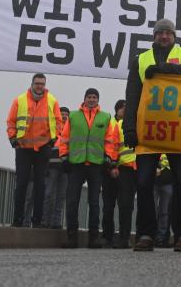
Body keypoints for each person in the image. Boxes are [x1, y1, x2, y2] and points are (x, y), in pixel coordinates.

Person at [122, 19, 181, 252]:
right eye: (160, 33)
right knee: (144, 182)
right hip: (149, 130)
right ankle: (146, 234)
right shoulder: (140, 60)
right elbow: (132, 94)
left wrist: (162, 69)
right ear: (154, 36)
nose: (164, 36)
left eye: (168, 33)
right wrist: (129, 128)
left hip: (179, 128)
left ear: (174, 35)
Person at [60, 88, 118, 248]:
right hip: (76, 163)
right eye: (89, 97)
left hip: (96, 164)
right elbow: (64, 138)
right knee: (72, 201)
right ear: (84, 98)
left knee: (94, 202)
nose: (91, 99)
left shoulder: (105, 117)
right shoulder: (73, 116)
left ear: (98, 100)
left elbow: (109, 140)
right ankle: (72, 237)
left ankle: (94, 238)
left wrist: (108, 157)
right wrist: (64, 157)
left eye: (94, 97)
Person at [7, 73, 61, 227]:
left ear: (45, 85)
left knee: (40, 185)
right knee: (21, 184)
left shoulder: (52, 101)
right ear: (32, 84)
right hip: (23, 147)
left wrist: (53, 139)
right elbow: (11, 121)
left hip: (43, 148)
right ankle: (17, 220)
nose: (39, 86)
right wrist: (13, 139)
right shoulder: (19, 100)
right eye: (37, 83)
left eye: (42, 84)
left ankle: (36, 221)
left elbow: (59, 122)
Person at [105, 99, 137, 248]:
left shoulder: (141, 122)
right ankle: (123, 238)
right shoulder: (118, 125)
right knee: (124, 204)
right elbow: (113, 147)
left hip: (141, 168)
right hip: (125, 168)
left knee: (135, 205)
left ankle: (140, 236)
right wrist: (113, 165)